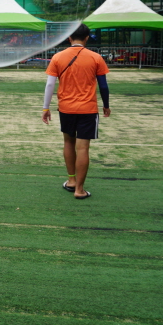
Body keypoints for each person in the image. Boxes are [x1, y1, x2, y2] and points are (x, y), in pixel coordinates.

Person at [41, 23, 111, 200]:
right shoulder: (96, 58)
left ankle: (71, 180)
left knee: (68, 142)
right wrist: (106, 105)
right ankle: (80, 189)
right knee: (83, 147)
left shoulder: (58, 57)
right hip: (88, 108)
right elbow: (103, 85)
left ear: (69, 38)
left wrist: (46, 107)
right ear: (87, 38)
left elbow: (50, 84)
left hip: (66, 108)